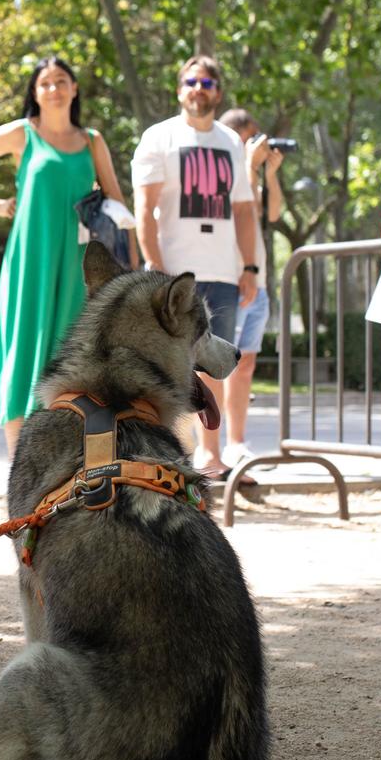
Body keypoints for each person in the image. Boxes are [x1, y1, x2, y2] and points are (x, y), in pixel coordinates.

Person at [0, 56, 129, 455]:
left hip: (79, 262)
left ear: (75, 88)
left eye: (61, 81)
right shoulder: (22, 134)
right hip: (31, 261)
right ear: (35, 92)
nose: (53, 89)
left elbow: (116, 197)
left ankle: (71, 459)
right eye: (45, 83)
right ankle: (19, 466)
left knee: (73, 352)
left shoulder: (92, 141)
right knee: (24, 346)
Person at [129, 56, 256, 476]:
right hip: (173, 274)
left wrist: (250, 267)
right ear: (179, 89)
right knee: (168, 363)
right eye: (191, 81)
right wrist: (155, 268)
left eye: (207, 82)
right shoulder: (158, 137)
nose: (198, 88)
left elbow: (242, 210)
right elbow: (144, 209)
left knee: (216, 362)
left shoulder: (230, 142)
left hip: (222, 270)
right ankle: (170, 450)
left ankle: (210, 452)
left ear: (218, 91)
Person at [216, 107, 286, 467]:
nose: (257, 144)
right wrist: (248, 165)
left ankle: (237, 443)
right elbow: (235, 207)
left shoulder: (251, 172)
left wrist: (269, 174)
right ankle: (209, 450)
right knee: (214, 367)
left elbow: (271, 213)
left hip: (256, 282)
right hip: (229, 278)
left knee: (245, 365)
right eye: (250, 137)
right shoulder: (223, 167)